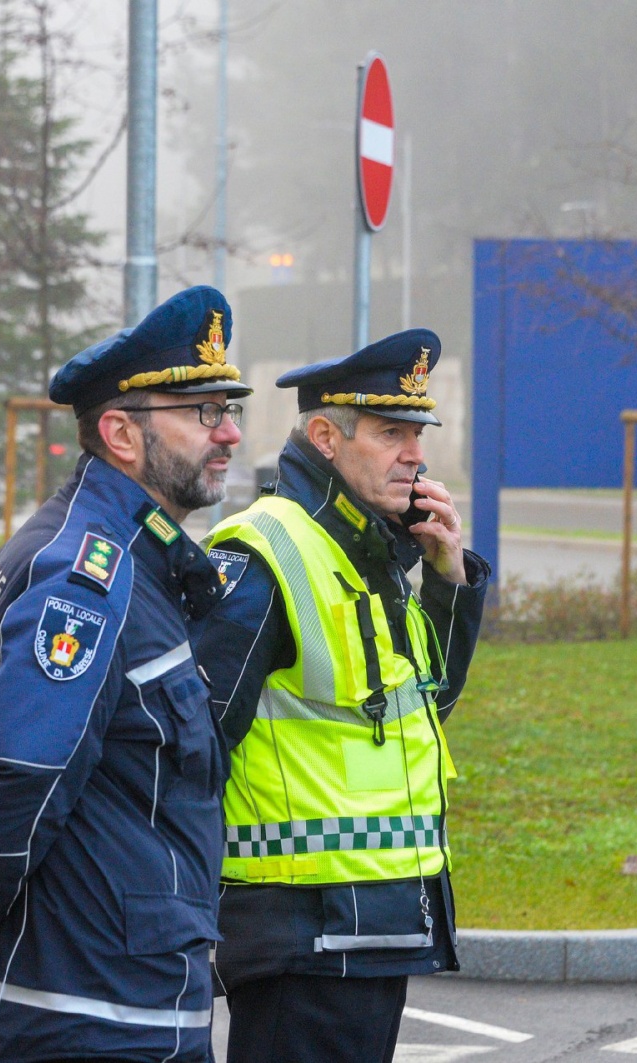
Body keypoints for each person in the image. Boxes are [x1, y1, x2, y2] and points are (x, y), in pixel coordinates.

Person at [0, 286, 249, 1063]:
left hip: (130, 1006)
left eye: (227, 408)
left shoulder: (142, 564)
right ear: (121, 433)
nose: (230, 431)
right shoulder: (86, 580)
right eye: (203, 411)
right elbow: (11, 788)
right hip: (77, 1019)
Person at [193, 329, 491, 1063]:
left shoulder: (368, 551)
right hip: (303, 932)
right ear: (326, 437)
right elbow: (191, 746)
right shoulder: (263, 552)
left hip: (370, 923)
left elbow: (420, 710)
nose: (415, 454)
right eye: (391, 433)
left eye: (417, 434)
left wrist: (448, 580)